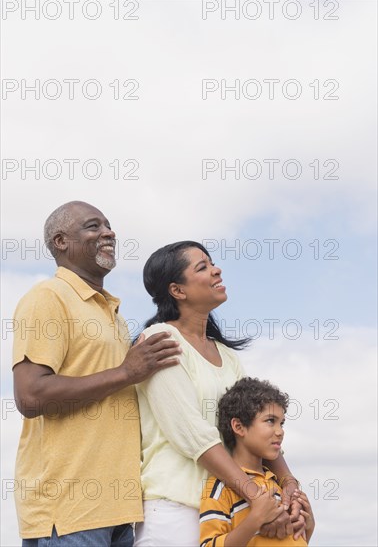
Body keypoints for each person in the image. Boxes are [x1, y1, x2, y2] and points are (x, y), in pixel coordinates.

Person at [12, 201, 182, 547]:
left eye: (108, 225)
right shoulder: (48, 297)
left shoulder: (111, 311)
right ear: (61, 242)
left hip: (121, 512)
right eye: (93, 226)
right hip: (70, 512)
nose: (108, 232)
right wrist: (125, 372)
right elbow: (30, 396)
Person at [134, 241, 305, 546]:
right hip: (177, 511)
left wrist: (288, 484)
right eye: (202, 267)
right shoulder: (160, 339)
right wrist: (258, 498)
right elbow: (193, 434)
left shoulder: (228, 357)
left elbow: (254, 427)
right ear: (178, 290)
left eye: (212, 263)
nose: (217, 270)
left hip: (231, 509)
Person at [200, 377, 315, 546]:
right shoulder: (220, 488)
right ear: (238, 427)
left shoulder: (279, 487)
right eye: (270, 421)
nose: (280, 431)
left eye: (282, 423)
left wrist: (309, 526)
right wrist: (255, 520)